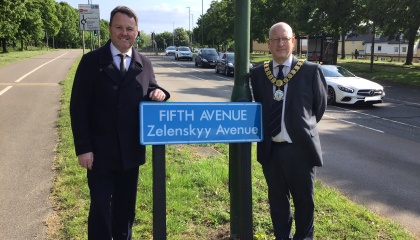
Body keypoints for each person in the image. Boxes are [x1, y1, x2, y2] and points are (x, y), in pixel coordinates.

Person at [70, 6, 170, 240]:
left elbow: (151, 87)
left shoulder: (144, 63)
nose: (124, 33)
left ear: (137, 32)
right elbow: (78, 108)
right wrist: (83, 148)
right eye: (119, 28)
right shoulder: (91, 62)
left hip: (130, 153)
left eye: (129, 29)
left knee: (125, 211)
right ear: (110, 29)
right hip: (99, 154)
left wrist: (160, 93)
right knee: (101, 210)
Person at [249, 22, 327, 239]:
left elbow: (318, 109)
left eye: (285, 39)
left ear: (293, 41)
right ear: (269, 44)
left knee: (304, 202)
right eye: (276, 39)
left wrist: (298, 127)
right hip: (271, 150)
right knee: (277, 202)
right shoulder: (258, 73)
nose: (281, 43)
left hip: (300, 150)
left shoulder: (310, 71)